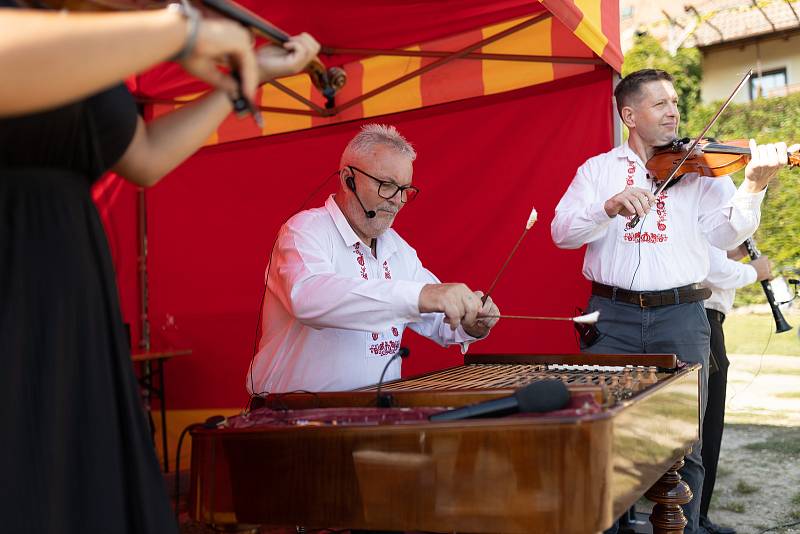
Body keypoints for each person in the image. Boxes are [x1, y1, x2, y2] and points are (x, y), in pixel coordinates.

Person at [0, 3, 320, 533]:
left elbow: (143, 156)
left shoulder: (81, 30)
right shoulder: (77, 31)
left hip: (68, 292)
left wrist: (248, 77)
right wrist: (178, 31)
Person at [550, 68, 794, 534]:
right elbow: (561, 232)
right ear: (629, 114)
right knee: (606, 435)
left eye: (675, 102)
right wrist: (607, 206)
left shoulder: (699, 169)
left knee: (685, 442)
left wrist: (754, 186)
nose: (674, 111)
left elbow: (726, 232)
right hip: (612, 318)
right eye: (660, 103)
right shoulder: (597, 171)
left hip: (681, 316)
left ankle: (687, 528)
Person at [247, 124, 500, 395]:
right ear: (348, 179)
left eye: (405, 189)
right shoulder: (305, 230)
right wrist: (423, 295)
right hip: (291, 420)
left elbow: (439, 320)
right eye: (387, 185)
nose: (398, 201)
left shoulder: (398, 249)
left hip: (374, 416)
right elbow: (308, 298)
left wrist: (471, 322)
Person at [699, 242, 772, 534]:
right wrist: (753, 271)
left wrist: (732, 253)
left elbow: (709, 257)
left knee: (706, 424)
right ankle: (696, 517)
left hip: (707, 317)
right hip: (701, 315)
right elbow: (710, 270)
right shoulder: (705, 200)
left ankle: (696, 514)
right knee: (707, 424)